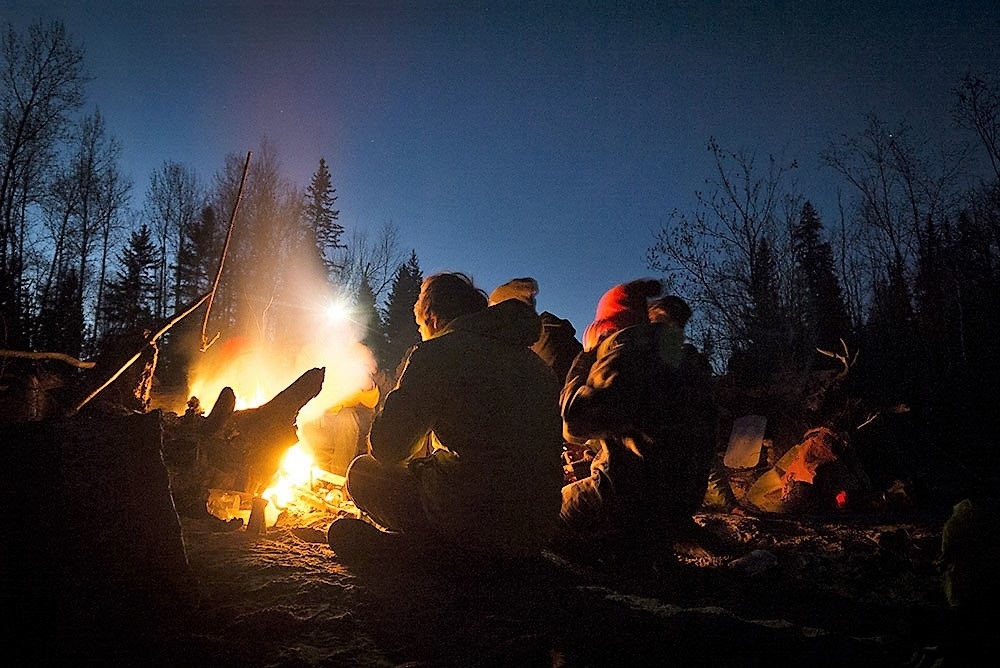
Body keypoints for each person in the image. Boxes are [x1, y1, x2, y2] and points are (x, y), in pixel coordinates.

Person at [328, 272, 566, 565]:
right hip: (533, 529)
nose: (420, 334)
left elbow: (387, 448)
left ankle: (432, 555)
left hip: (472, 519)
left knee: (363, 473)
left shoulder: (438, 352)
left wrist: (401, 390)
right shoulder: (537, 367)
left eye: (420, 326)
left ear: (434, 319)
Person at [556, 279, 719, 569]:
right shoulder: (684, 363)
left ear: (609, 327)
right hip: (678, 503)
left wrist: (583, 362)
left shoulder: (627, 355)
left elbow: (574, 424)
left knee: (541, 512)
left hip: (628, 502)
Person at [488, 277, 583, 385]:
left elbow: (544, 389)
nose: (493, 319)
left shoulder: (547, 339)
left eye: (495, 311)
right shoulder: (533, 340)